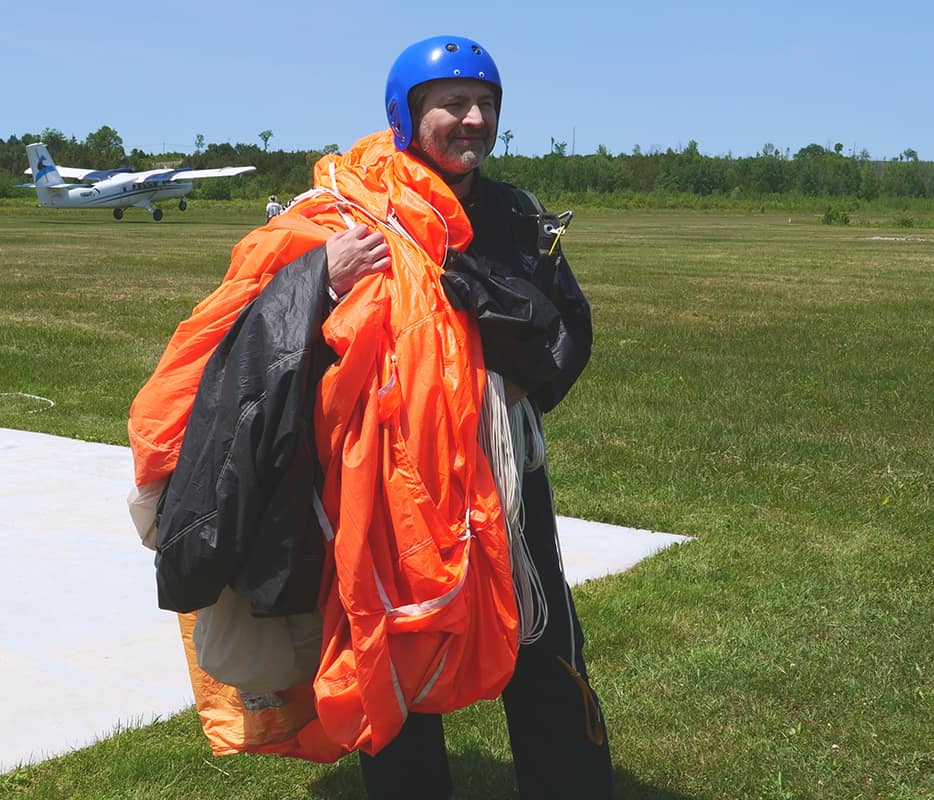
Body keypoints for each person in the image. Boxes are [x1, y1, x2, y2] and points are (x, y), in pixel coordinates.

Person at [127, 34, 612, 800]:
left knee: (543, 635)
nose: (473, 119)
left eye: (486, 105)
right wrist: (319, 273)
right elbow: (244, 321)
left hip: (504, 470)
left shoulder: (516, 215)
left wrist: (511, 382)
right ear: (406, 113)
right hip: (387, 480)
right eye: (452, 104)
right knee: (392, 635)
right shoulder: (346, 209)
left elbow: (566, 326)